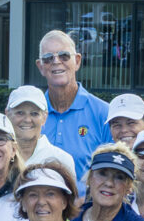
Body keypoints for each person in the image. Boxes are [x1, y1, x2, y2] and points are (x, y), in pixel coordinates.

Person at [33, 28, 111, 175]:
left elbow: (112, 174)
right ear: (41, 66)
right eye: (48, 58)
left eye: (64, 55)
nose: (56, 61)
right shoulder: (31, 116)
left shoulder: (104, 114)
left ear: (77, 61)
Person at [3, 85, 73, 172]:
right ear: (7, 114)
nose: (27, 120)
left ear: (45, 117)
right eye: (20, 113)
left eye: (34, 114)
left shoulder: (61, 160)